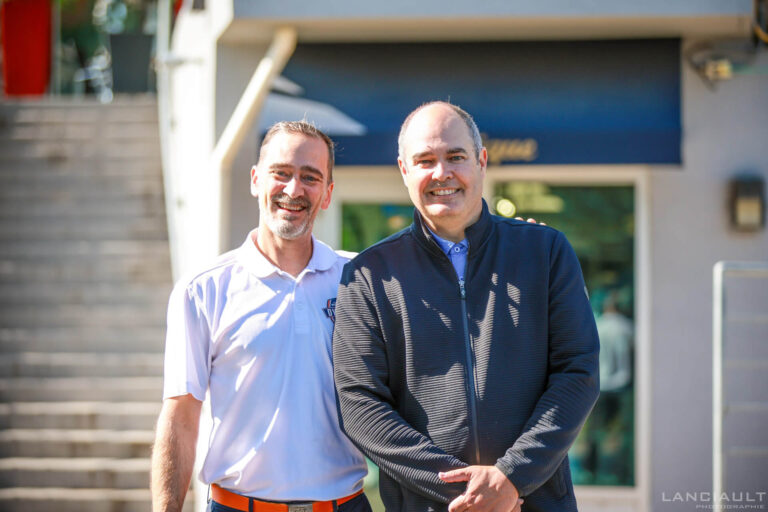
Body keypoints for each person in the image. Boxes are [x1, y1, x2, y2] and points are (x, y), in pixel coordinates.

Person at [332, 101, 600, 512]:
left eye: (455, 157)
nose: (442, 173)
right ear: (404, 171)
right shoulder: (369, 275)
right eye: (425, 160)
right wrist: (467, 492)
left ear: (481, 161)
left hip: (535, 501)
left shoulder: (545, 253)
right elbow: (360, 405)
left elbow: (577, 373)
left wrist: (512, 477)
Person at [151, 121, 371, 512]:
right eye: (281, 173)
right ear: (256, 179)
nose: (294, 189)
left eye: (310, 177)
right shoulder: (202, 290)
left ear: (327, 194)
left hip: (345, 505)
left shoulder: (360, 280)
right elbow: (181, 417)